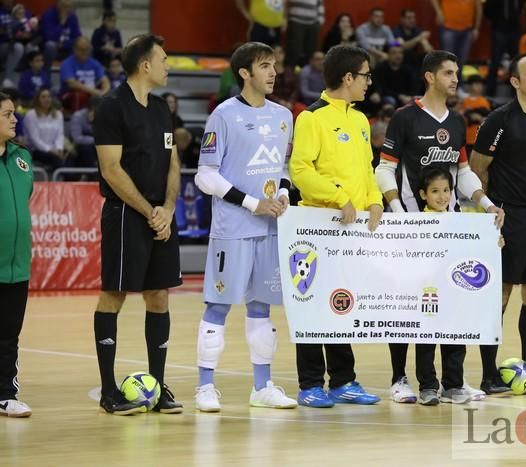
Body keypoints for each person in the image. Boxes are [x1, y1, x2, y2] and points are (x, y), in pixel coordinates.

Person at [375, 50, 506, 404]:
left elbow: (462, 173)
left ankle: (452, 382)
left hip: (448, 231)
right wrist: (398, 212)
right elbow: (384, 169)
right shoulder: (405, 118)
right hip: (410, 229)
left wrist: (487, 204)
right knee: (407, 306)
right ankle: (401, 378)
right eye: (449, 72)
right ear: (430, 77)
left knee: (452, 303)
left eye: (457, 73)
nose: (455, 79)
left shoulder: (457, 121)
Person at [192, 42, 297, 411]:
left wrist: (283, 193)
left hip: (270, 229)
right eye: (265, 66)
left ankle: (262, 386)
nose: (273, 72)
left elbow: (283, 169)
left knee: (262, 310)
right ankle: (205, 387)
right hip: (233, 228)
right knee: (218, 307)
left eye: (274, 65)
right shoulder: (223, 115)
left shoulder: (284, 116)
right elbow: (205, 175)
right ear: (244, 73)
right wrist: (254, 204)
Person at [92, 34, 183, 415]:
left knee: (159, 296)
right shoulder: (112, 107)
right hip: (127, 215)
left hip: (160, 215)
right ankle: (109, 391)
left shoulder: (162, 108)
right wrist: (150, 212)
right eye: (163, 59)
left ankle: (158, 385)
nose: (168, 65)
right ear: (145, 65)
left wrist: (169, 207)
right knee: (114, 294)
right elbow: (111, 169)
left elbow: (173, 162)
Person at [289, 44, 383, 408]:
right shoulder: (312, 118)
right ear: (348, 78)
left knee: (342, 303)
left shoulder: (360, 121)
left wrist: (374, 199)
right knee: (312, 305)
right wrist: (337, 197)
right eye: (365, 75)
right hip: (317, 227)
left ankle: (344, 380)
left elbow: (367, 171)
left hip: (352, 230)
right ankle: (311, 383)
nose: (368, 82)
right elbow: (300, 171)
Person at [470, 54, 526, 396]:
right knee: (500, 294)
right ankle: (489, 374)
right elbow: (478, 169)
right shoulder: (499, 120)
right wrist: (491, 212)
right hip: (509, 216)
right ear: (515, 82)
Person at [0, 91, 33, 418]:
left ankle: (7, 394)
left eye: (14, 113)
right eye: (7, 114)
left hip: (17, 265)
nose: (14, 119)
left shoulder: (22, 158)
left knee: (9, 335)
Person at [429, 0, 482, 73]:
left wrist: (476, 28)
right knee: (447, 61)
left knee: (461, 62)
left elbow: (479, 8)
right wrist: (438, 12)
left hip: (467, 30)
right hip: (448, 27)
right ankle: (446, 83)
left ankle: (458, 83)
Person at [59, 36, 110, 111]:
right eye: (81, 49)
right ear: (74, 49)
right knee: (79, 95)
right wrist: (95, 92)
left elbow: (105, 80)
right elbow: (72, 84)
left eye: (86, 49)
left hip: (93, 94)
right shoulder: (67, 64)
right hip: (73, 94)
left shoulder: (95, 63)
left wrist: (104, 92)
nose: (84, 52)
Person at [23, 88, 65, 171]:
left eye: (49, 96)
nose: (47, 99)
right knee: (57, 160)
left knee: (71, 156)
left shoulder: (58, 114)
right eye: (43, 97)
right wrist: (50, 150)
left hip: (56, 150)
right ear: (37, 99)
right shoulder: (31, 115)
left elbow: (60, 134)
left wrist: (59, 148)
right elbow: (34, 139)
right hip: (36, 150)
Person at [40, 0, 81, 71]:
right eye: (65, 7)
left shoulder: (72, 16)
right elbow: (50, 37)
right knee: (50, 45)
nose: (69, 10)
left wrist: (65, 44)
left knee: (85, 46)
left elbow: (77, 37)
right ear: (58, 5)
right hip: (53, 48)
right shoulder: (48, 15)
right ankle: (46, 72)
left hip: (67, 47)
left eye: (70, 7)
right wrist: (61, 23)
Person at [284, 0, 324, 68]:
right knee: (294, 49)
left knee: (310, 50)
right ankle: (289, 71)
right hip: (295, 21)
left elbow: (320, 4)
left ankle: (307, 71)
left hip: (313, 23)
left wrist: (320, 20)